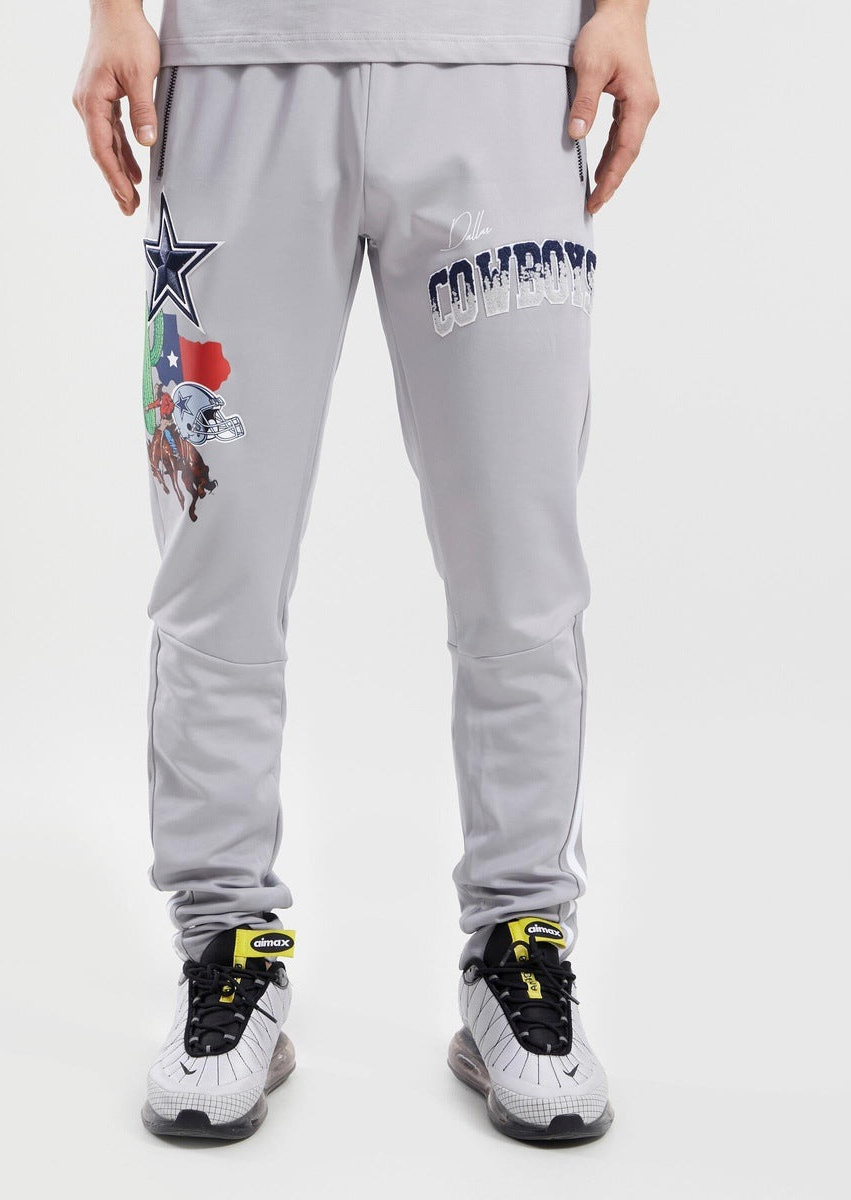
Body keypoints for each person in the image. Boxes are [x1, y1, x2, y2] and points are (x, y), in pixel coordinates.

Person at [74, 0, 658, 1143]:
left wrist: (627, 13)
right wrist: (110, 12)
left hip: (502, 72)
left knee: (521, 561)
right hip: (241, 67)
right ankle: (225, 940)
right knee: (217, 552)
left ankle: (520, 941)